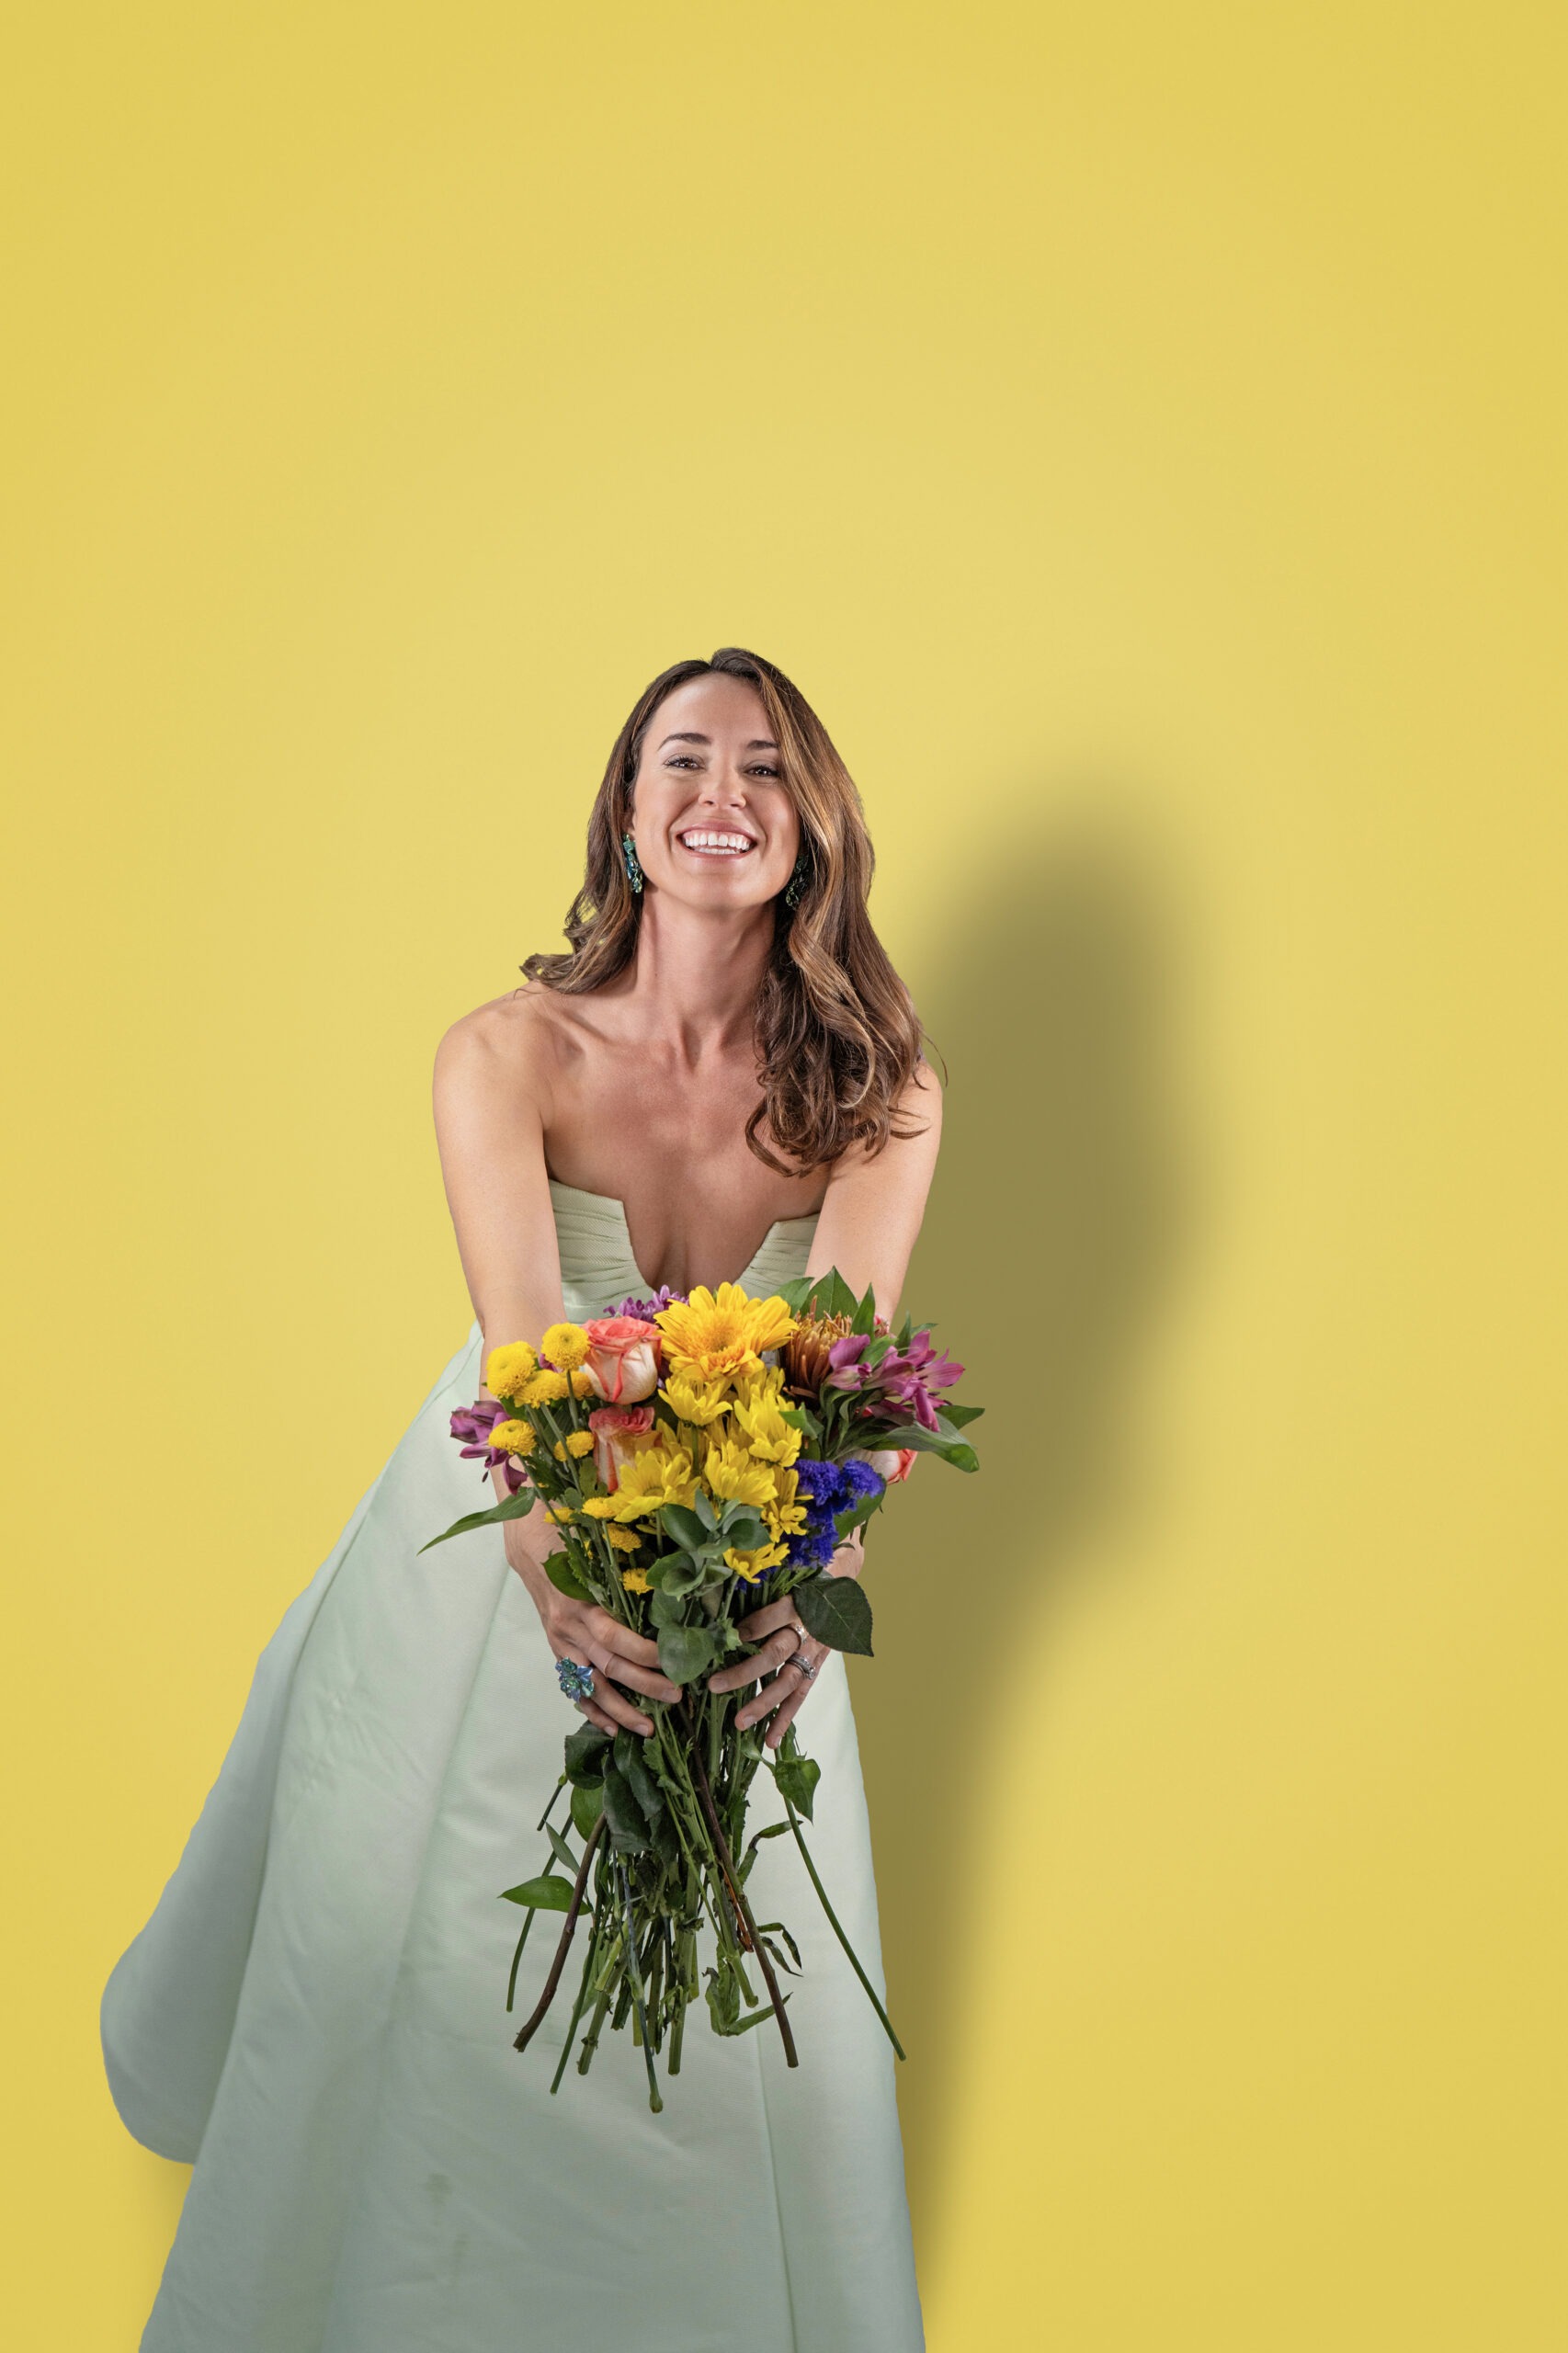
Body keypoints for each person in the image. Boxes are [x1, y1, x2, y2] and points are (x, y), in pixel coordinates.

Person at [101, 645, 943, 2352]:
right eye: (682, 762)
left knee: (742, 1995)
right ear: (628, 818)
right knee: (430, 1947)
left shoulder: (883, 1082)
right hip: (512, 1513)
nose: (723, 795)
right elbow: (519, 1348)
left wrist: (808, 1580)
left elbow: (854, 1376)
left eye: (766, 767)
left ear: (811, 825)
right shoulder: (505, 1050)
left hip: (753, 1542)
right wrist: (559, 1590)